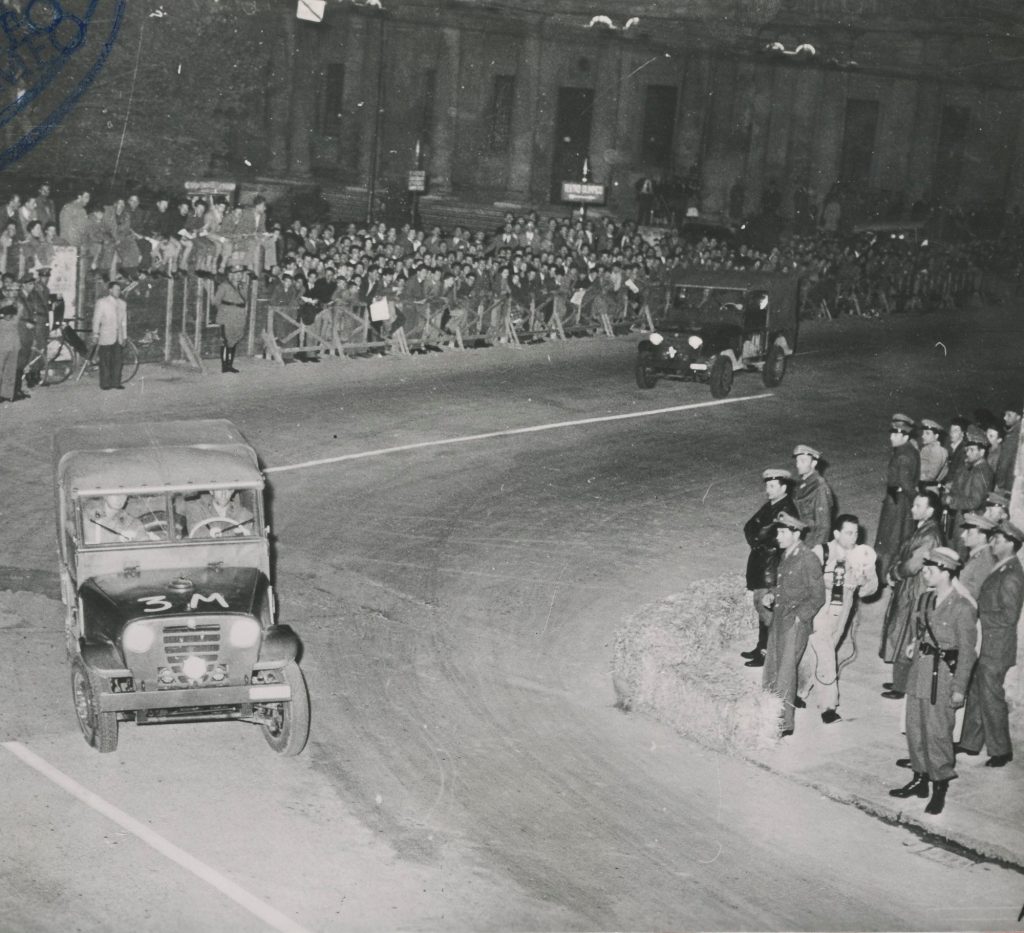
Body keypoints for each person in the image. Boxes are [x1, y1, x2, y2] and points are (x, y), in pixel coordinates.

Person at [888, 546, 977, 816]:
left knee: (938, 734)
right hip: (919, 675)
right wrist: (915, 644)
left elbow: (968, 653)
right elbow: (921, 630)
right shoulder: (924, 600)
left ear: (946, 572)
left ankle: (939, 786)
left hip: (943, 680)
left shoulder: (963, 607)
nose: (925, 573)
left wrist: (959, 689)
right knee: (915, 730)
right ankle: (919, 779)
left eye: (930, 569)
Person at [796, 514, 878, 723]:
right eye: (849, 533)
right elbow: (803, 577)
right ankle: (828, 707)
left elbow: (872, 588)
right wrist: (829, 582)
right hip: (820, 611)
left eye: (856, 533)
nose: (854, 537)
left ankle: (798, 691)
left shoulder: (863, 555)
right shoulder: (822, 552)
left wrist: (863, 580)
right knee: (826, 656)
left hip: (842, 614)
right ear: (836, 533)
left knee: (814, 652)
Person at [957, 520, 1024, 768]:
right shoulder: (1002, 568)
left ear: (1010, 543)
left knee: (991, 696)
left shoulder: (1011, 575)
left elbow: (1009, 616)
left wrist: (978, 612)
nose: (992, 543)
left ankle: (1001, 750)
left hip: (996, 648)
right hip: (989, 645)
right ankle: (970, 743)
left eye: (997, 539)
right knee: (977, 692)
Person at [762, 511, 825, 737]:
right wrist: (771, 595)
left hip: (794, 623)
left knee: (785, 674)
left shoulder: (808, 558)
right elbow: (785, 585)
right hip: (780, 617)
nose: (778, 536)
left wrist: (800, 618)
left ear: (796, 533)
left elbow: (818, 596)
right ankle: (768, 714)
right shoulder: (787, 554)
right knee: (772, 667)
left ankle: (783, 723)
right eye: (777, 532)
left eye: (782, 532)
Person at [879, 491, 945, 699]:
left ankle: (901, 686)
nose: (912, 509)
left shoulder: (930, 535)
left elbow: (914, 564)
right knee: (901, 631)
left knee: (908, 633)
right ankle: (900, 680)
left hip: (915, 590)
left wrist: (895, 573)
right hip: (909, 587)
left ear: (930, 511)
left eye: (918, 506)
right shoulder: (923, 528)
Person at [740, 468, 796, 669]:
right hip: (761, 564)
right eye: (767, 486)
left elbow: (772, 537)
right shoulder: (771, 505)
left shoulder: (787, 510)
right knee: (760, 606)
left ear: (783, 487)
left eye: (772, 486)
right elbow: (749, 527)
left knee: (766, 610)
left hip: (771, 568)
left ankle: (768, 653)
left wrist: (759, 538)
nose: (768, 490)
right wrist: (758, 539)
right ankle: (761, 646)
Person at [875, 414, 920, 579]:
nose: (891, 437)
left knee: (890, 540)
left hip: (897, 503)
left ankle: (882, 576)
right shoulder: (906, 450)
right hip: (897, 499)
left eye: (895, 434)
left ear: (905, 436)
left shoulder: (903, 456)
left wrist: (916, 499)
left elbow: (906, 484)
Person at [944, 425, 994, 547]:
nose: (968, 453)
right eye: (967, 450)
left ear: (982, 452)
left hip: (969, 520)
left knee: (960, 550)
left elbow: (974, 501)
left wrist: (952, 501)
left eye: (972, 450)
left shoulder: (980, 471)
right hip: (963, 518)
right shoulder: (974, 468)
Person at [791, 443, 835, 550]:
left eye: (803, 461)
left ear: (814, 463)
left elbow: (824, 526)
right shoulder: (802, 484)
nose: (798, 465)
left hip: (811, 544)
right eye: (797, 461)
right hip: (799, 541)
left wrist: (817, 551)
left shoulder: (819, 487)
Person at [91, 277, 128, 390]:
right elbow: (96, 319)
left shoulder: (122, 304)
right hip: (106, 335)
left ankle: (116, 382)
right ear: (110, 290)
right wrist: (95, 334)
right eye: (116, 289)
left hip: (118, 336)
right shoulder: (102, 303)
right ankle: (105, 383)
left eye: (119, 289)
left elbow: (124, 322)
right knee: (105, 361)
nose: (118, 291)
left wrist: (125, 336)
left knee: (117, 360)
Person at [211, 265, 249, 373]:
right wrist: (224, 312)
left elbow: (245, 300)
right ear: (230, 275)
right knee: (226, 340)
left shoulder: (243, 286)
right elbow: (216, 301)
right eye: (236, 274)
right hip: (227, 315)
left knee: (235, 338)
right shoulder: (224, 286)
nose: (239, 276)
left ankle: (230, 364)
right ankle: (225, 366)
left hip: (239, 315)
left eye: (240, 273)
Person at [957, 511, 997, 600]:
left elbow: (975, 594)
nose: (962, 535)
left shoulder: (985, 560)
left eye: (969, 533)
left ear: (982, 536)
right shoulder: (977, 555)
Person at [185, 488, 254, 538]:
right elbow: (196, 534)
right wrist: (232, 533)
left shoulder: (242, 512)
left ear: (233, 491)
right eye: (219, 489)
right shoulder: (197, 508)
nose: (223, 494)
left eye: (228, 489)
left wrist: (214, 534)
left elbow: (246, 534)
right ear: (211, 491)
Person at [917, 418, 948, 492]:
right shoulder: (926, 448)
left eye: (927, 433)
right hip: (921, 485)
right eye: (923, 433)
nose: (923, 436)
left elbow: (931, 476)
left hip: (929, 488)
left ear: (936, 436)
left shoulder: (937, 451)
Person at [995, 403, 1020, 491]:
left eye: (1009, 415)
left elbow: (1004, 463)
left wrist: (999, 484)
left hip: (1009, 484)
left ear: (1018, 417)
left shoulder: (1013, 436)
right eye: (1005, 414)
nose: (1005, 417)